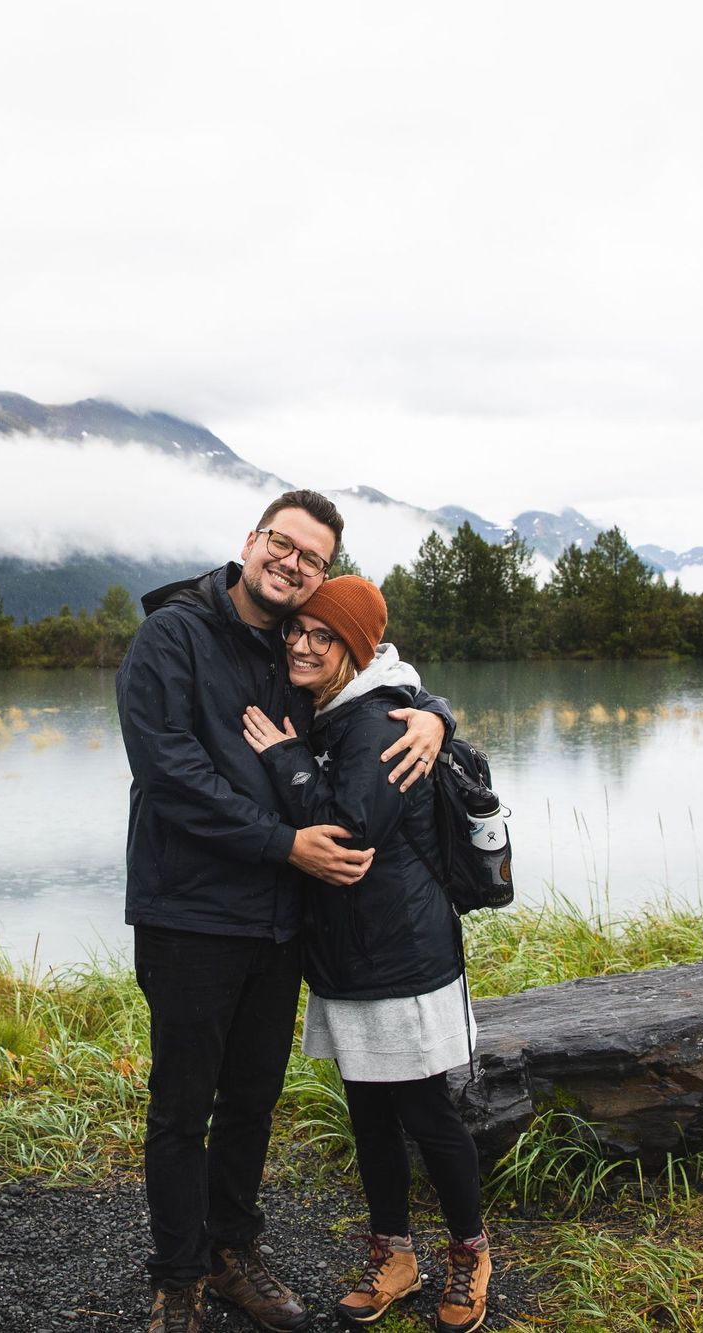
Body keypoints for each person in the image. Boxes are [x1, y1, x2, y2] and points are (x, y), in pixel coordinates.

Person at [116, 491, 453, 1333]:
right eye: (283, 544)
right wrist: (286, 845)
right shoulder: (173, 636)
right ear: (251, 542)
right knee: (181, 1106)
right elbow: (172, 774)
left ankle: (233, 1254)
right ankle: (177, 1283)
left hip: (277, 923)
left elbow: (378, 681)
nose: (293, 565)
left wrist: (438, 718)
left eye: (312, 558)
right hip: (190, 915)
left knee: (252, 1101)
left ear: (322, 573)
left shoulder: (294, 644)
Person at [241, 576, 492, 1332]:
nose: (302, 644)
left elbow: (348, 835)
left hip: (402, 954)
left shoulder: (379, 723)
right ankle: (397, 1256)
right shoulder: (338, 713)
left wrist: (286, 758)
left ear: (355, 649)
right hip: (351, 952)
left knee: (424, 1110)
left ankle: (470, 1254)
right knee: (369, 1113)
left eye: (324, 635)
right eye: (297, 630)